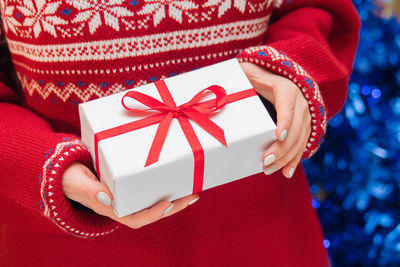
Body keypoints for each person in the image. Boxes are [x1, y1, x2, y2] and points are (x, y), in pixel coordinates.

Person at [0, 0, 360, 266]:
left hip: (258, 230)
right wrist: (34, 162)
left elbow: (318, 8)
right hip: (70, 245)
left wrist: (291, 66)